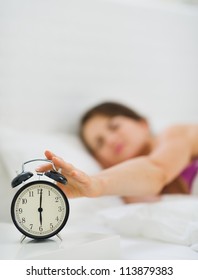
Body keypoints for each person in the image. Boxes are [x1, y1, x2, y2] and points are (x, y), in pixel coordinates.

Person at [36, 101, 198, 203]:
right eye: (100, 143)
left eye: (115, 127)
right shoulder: (129, 194)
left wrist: (97, 183)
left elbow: (156, 170)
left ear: (143, 124)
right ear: (102, 160)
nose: (111, 140)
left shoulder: (176, 134)